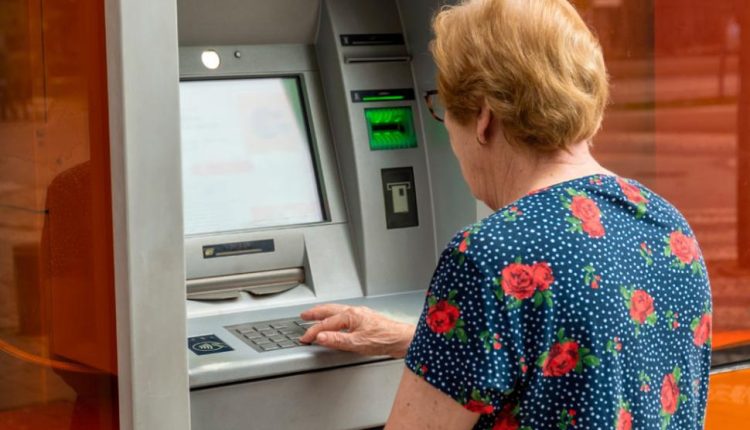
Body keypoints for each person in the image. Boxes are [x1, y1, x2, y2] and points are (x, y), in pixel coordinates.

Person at [301, 0, 712, 428]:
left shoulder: (488, 255)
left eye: (442, 107)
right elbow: (592, 361)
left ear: (483, 117)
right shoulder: (667, 228)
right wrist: (419, 341)